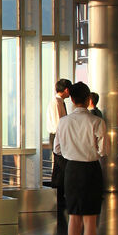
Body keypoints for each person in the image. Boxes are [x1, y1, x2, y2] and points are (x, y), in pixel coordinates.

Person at [53, 81, 107, 235]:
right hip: (91, 170)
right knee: (90, 219)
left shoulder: (64, 122)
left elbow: (57, 149)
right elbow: (104, 151)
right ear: (88, 99)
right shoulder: (96, 122)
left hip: (72, 171)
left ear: (72, 99)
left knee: (74, 217)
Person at [47, 78, 72, 211]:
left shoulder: (58, 102)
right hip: (58, 135)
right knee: (61, 165)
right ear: (66, 90)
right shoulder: (56, 103)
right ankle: (59, 197)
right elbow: (58, 124)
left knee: (59, 165)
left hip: (58, 135)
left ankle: (59, 196)